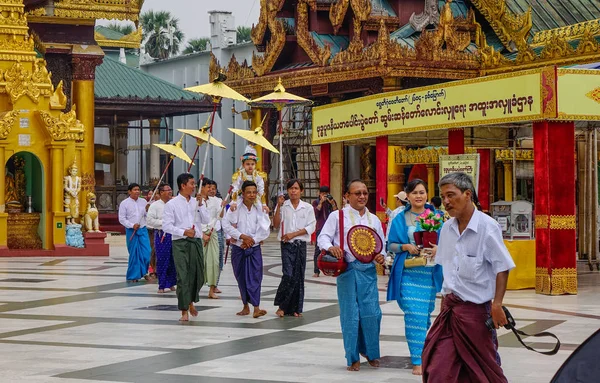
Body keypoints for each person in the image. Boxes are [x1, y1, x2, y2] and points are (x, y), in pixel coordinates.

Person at [422, 172, 515, 383]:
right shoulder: (446, 228)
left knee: (483, 374)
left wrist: (497, 305)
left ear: (467, 194)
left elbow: (503, 267)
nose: (446, 201)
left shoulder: (487, 226)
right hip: (450, 312)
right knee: (438, 370)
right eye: (443, 196)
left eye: (451, 195)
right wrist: (443, 306)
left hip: (476, 314)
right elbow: (447, 271)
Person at [317, 179, 386, 372]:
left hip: (369, 272)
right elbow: (322, 237)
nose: (362, 196)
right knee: (351, 316)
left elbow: (383, 244)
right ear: (347, 196)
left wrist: (382, 256)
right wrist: (331, 247)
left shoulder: (374, 220)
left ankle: (370, 351)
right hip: (347, 270)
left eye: (365, 192)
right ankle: (353, 357)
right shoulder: (337, 216)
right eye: (357, 193)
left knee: (373, 313)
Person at [386, 179, 444, 375]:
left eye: (422, 192)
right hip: (408, 272)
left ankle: (424, 351)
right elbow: (391, 245)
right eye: (415, 193)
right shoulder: (399, 219)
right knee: (414, 315)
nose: (419, 196)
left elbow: (448, 241)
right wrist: (405, 247)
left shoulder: (438, 217)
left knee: (425, 315)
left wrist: (439, 249)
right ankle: (418, 360)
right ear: (407, 196)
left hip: (429, 273)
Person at [162, 173, 211, 322]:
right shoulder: (172, 204)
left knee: (198, 275)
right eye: (192, 183)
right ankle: (184, 309)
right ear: (183, 185)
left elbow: (206, 220)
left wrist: (201, 205)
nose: (194, 186)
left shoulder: (196, 202)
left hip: (195, 241)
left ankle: (190, 301)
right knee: (183, 277)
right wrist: (183, 231)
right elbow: (166, 226)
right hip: (181, 243)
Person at [222, 180, 271, 318]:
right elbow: (226, 225)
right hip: (238, 247)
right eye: (248, 192)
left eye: (254, 192)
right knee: (241, 277)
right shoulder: (234, 208)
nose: (251, 195)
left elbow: (265, 229)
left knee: (255, 277)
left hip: (254, 248)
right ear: (242, 193)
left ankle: (256, 307)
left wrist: (252, 240)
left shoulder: (260, 209)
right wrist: (241, 236)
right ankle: (245, 306)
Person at [273, 179, 316, 317]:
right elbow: (275, 224)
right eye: (291, 188)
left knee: (298, 277)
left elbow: (311, 226)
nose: (293, 191)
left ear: (301, 191)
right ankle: (282, 305)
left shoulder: (307, 207)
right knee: (288, 274)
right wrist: (278, 207)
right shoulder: (283, 205)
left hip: (300, 244)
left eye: (296, 188)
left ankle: (295, 308)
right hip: (286, 244)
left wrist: (294, 234)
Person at [146, 183, 177, 293]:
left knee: (173, 259)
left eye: (170, 189)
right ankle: (162, 284)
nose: (169, 192)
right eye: (167, 190)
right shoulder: (155, 205)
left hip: (174, 234)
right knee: (162, 259)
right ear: (161, 192)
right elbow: (149, 221)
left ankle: (172, 282)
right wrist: (164, 223)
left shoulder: (174, 203)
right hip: (161, 234)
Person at [118, 183, 151, 282]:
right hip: (131, 230)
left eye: (138, 190)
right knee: (134, 254)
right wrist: (132, 225)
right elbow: (122, 219)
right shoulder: (124, 203)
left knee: (147, 252)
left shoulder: (144, 202)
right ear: (129, 191)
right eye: (135, 190)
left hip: (142, 229)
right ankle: (134, 276)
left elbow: (147, 216)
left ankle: (144, 271)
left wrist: (148, 210)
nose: (137, 191)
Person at [199, 178, 225, 299]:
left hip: (213, 232)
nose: (210, 190)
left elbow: (219, 216)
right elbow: (194, 220)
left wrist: (223, 207)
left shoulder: (217, 200)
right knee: (199, 262)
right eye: (208, 187)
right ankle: (197, 287)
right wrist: (202, 234)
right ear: (202, 188)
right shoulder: (195, 202)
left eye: (212, 187)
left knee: (214, 261)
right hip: (199, 233)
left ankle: (212, 288)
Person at [230, 145, 268, 213]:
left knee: (262, 211)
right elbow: (235, 188)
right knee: (234, 209)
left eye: (252, 164)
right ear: (243, 165)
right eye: (247, 164)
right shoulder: (239, 175)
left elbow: (261, 190)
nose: (250, 166)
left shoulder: (258, 175)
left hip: (254, 197)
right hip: (242, 196)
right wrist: (234, 202)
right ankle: (233, 222)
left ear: (255, 165)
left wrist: (264, 204)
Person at [311, 185, 338, 277]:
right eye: (323, 193)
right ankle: (316, 270)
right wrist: (321, 203)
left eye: (326, 194)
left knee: (332, 248)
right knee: (318, 249)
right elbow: (315, 213)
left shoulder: (331, 201)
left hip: (331, 228)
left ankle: (331, 268)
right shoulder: (316, 202)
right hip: (320, 227)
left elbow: (336, 213)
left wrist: (332, 203)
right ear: (319, 193)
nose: (325, 195)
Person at [208, 184, 225, 293]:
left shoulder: (219, 200)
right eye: (209, 188)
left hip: (217, 231)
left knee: (218, 260)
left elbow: (223, 217)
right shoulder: (198, 201)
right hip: (204, 232)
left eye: (214, 189)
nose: (212, 191)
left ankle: (215, 284)